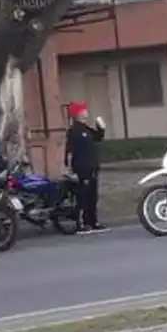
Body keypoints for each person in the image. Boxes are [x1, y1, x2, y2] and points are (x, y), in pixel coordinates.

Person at [64, 100, 107, 233]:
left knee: (92, 196)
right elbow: (69, 151)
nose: (86, 111)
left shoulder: (86, 128)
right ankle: (80, 223)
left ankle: (93, 221)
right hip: (81, 167)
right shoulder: (74, 130)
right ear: (78, 113)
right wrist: (70, 169)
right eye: (84, 110)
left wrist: (101, 128)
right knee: (82, 196)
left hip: (92, 166)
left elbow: (98, 138)